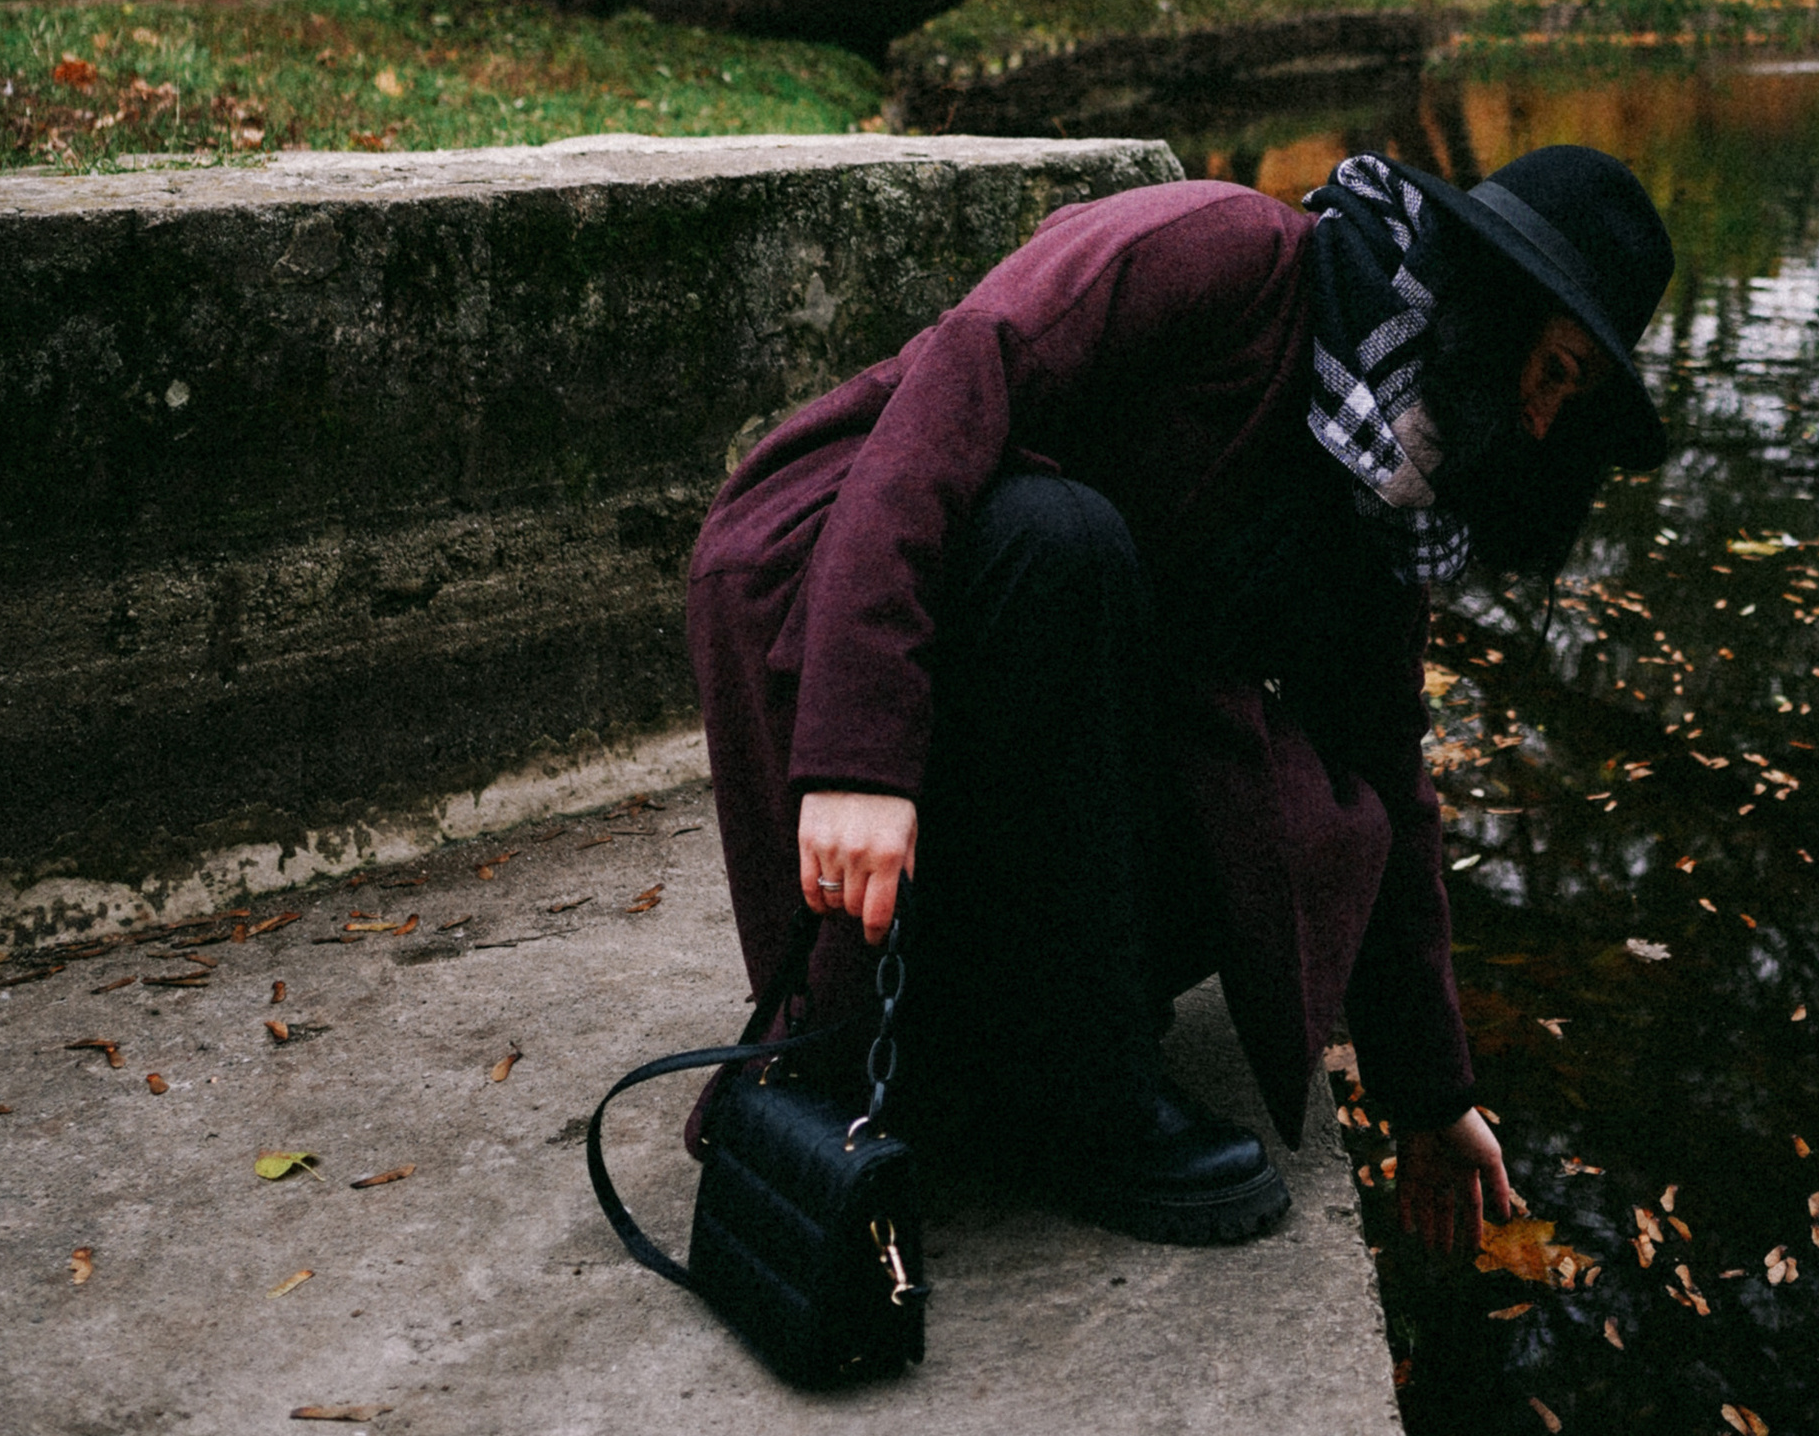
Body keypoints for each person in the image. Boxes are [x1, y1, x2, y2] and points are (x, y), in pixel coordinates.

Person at [686, 143, 1673, 1252]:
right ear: (1491, 305)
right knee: (1063, 541)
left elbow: (1388, 767)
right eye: (1553, 371)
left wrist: (1432, 1091)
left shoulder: (1383, 489)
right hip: (840, 577)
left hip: (1033, 671)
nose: (1539, 424)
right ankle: (1082, 1090)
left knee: (1298, 805)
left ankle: (1019, 1034)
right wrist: (857, 757)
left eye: (1571, 399)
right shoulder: (1223, 252)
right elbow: (945, 408)